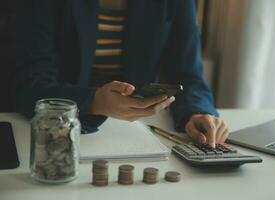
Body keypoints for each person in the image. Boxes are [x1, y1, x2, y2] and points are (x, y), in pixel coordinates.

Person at [16, 0, 229, 148]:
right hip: (55, 133)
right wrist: (94, 102)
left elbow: (188, 74)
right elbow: (30, 83)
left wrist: (197, 112)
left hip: (137, 136)